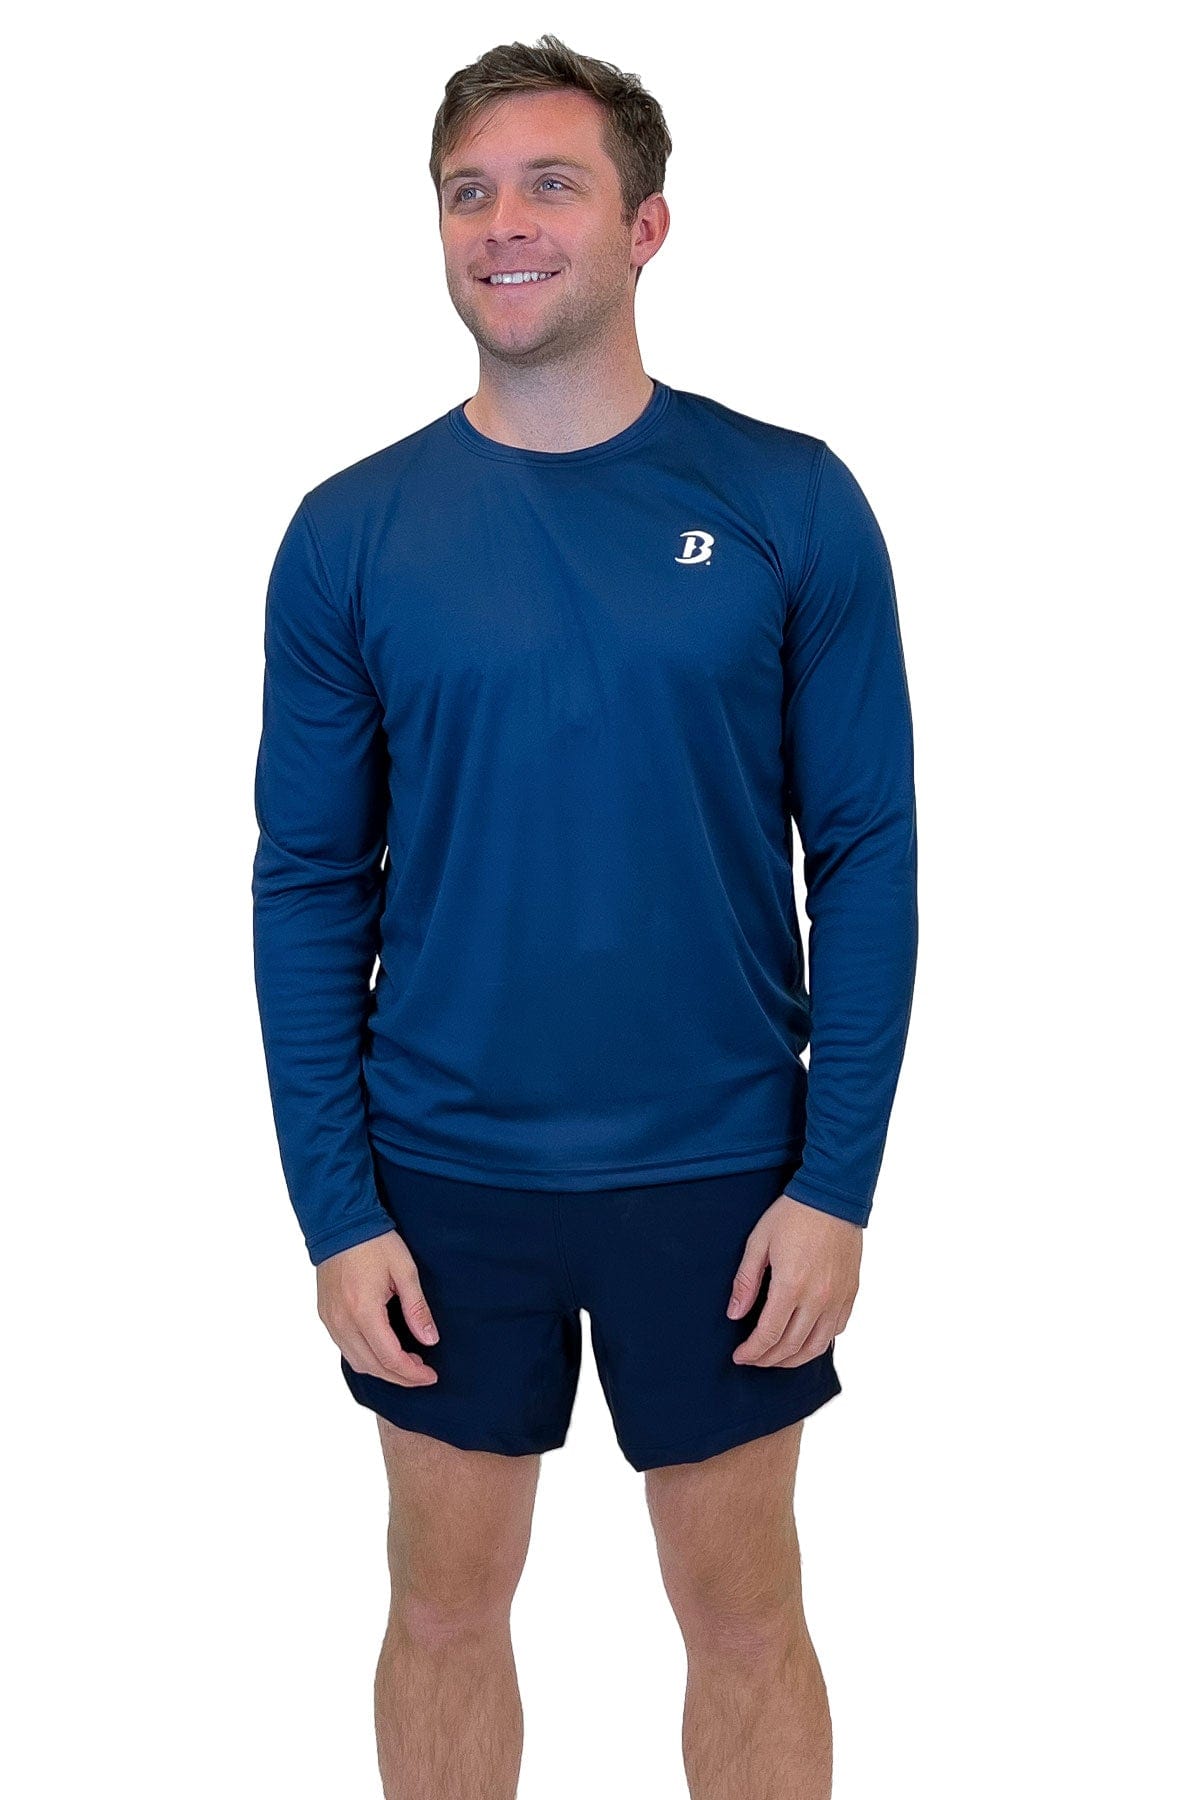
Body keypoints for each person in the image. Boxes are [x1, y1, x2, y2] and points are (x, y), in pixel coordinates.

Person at [251, 31, 917, 1800]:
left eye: (552, 183)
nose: (506, 223)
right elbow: (306, 882)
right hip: (441, 1173)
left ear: (647, 225)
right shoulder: (351, 534)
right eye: (469, 191)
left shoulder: (786, 501)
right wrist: (335, 1207)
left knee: (747, 1620)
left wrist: (836, 1181)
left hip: (724, 1170)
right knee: (441, 1612)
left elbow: (865, 852)